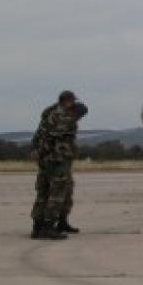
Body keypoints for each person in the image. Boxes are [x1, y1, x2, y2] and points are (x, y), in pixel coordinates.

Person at [30, 91, 83, 240]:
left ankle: (41, 226)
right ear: (67, 101)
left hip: (48, 160)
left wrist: (37, 151)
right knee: (56, 194)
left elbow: (38, 136)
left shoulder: (49, 114)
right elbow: (50, 139)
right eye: (71, 102)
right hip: (57, 160)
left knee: (46, 192)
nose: (73, 105)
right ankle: (47, 227)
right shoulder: (61, 117)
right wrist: (40, 152)